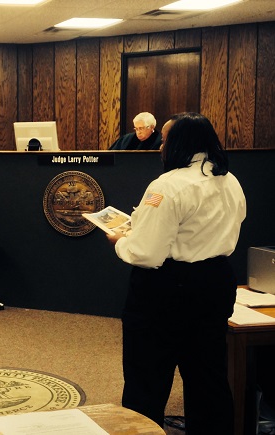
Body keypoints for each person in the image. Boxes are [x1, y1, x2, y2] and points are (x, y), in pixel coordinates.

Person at [105, 112, 246, 434]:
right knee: (208, 376)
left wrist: (120, 240)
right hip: (215, 282)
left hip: (166, 287)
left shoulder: (166, 185)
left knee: (147, 378)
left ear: (179, 143)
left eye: (166, 140)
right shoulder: (230, 180)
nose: (161, 146)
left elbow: (147, 253)